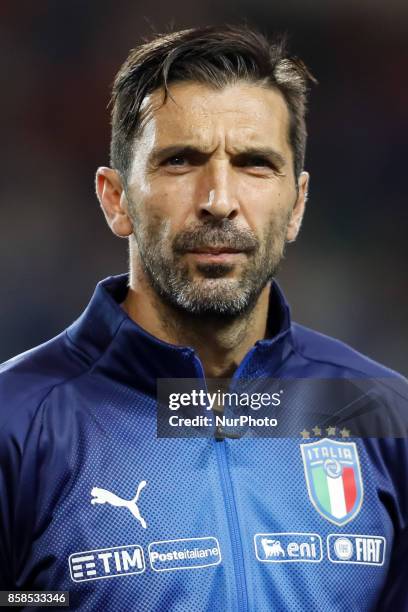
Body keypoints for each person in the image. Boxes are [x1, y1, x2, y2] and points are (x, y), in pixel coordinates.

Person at [0, 25, 407, 611]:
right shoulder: (19, 425)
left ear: (297, 204)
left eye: (254, 164)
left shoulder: (384, 415)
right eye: (181, 161)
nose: (219, 198)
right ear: (116, 199)